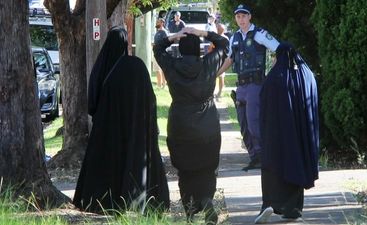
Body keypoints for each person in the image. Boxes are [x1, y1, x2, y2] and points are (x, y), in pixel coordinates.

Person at [73, 27, 170, 213]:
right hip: (135, 128)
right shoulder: (136, 66)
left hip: (106, 128)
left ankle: (104, 203)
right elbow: (149, 98)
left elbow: (92, 101)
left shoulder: (102, 66)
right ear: (126, 43)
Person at [153, 27, 228, 225]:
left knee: (185, 169)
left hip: (180, 126)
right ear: (199, 50)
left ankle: (190, 208)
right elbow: (224, 44)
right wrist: (203, 33)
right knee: (208, 167)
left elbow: (157, 49)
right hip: (208, 126)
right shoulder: (209, 64)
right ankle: (206, 199)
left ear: (181, 49)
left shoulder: (171, 65)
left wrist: (173, 37)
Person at [255, 42, 319, 223]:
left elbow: (264, 104)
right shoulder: (308, 76)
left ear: (279, 56)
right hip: (301, 136)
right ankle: (294, 209)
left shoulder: (276, 77)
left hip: (278, 135)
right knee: (297, 165)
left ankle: (270, 204)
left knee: (276, 167)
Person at [217, 4, 280, 171]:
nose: (241, 19)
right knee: (243, 123)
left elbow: (278, 50)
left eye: (244, 16)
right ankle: (254, 157)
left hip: (256, 84)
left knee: (253, 122)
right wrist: (215, 74)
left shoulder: (259, 33)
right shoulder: (234, 37)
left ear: (250, 17)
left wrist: (272, 74)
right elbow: (230, 59)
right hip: (241, 86)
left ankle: (264, 156)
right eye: (238, 16)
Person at [153, 18, 168, 88]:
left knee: (163, 69)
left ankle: (164, 85)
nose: (156, 23)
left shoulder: (164, 32)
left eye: (158, 22)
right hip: (156, 53)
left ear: (162, 23)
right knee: (157, 69)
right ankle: (159, 85)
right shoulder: (157, 32)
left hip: (162, 53)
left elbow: (166, 42)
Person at [215, 23, 228, 99]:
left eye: (218, 28)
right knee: (213, 76)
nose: (217, 29)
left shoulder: (225, 38)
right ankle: (212, 93)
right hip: (214, 60)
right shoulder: (215, 37)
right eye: (217, 28)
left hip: (222, 60)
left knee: (221, 76)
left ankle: (219, 93)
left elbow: (227, 51)